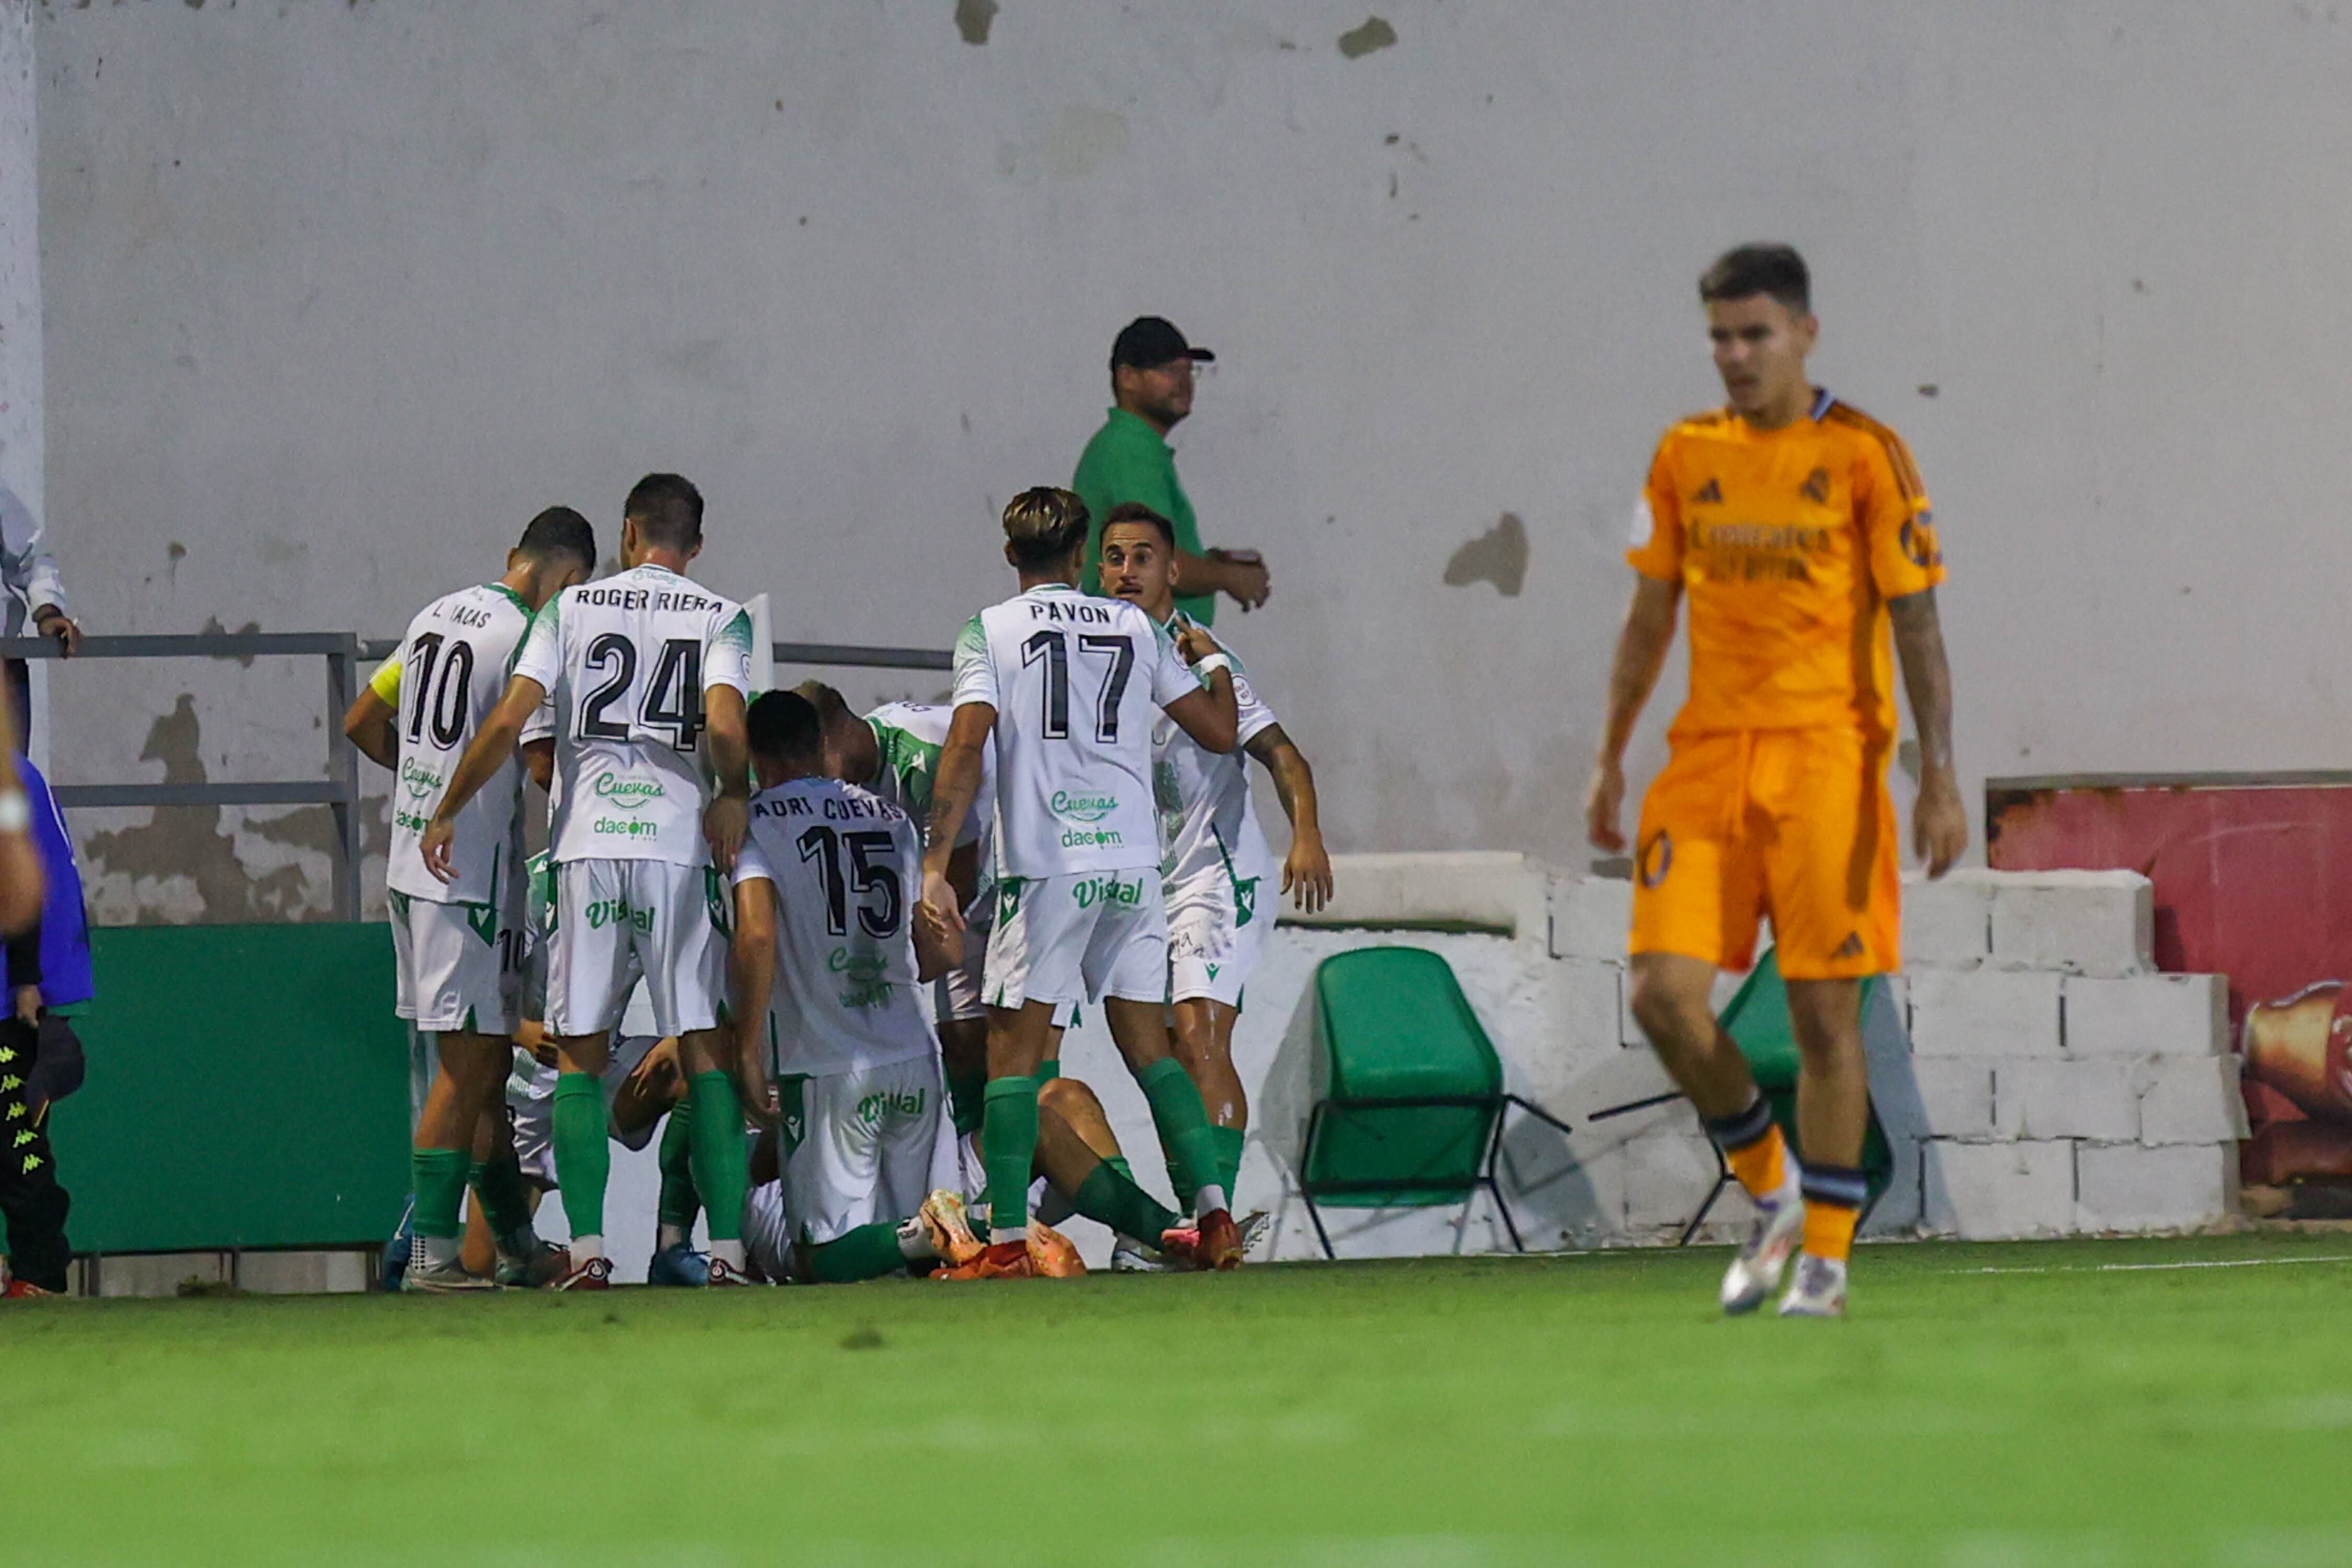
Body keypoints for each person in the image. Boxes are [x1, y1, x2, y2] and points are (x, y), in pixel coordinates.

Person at [1583, 244, 1964, 1320]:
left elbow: (1918, 621)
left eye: (1755, 335)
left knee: (1820, 1019)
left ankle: (1829, 1263)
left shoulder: (1865, 454)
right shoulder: (1684, 453)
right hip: (1706, 760)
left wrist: (1937, 774)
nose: (1736, 357)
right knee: (1661, 996)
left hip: (1828, 763)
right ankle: (1774, 1190)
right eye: (1720, 337)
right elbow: (1651, 613)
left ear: (1804, 332)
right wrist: (1610, 752)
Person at [424, 474, 762, 1289]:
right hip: (677, 850)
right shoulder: (722, 616)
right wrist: (734, 795)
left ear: (626, 532)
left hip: (587, 849)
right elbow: (723, 723)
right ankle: (728, 1256)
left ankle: (586, 1253)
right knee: (708, 1054)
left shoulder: (568, 611)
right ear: (696, 544)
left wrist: (446, 808)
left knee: (578, 1058)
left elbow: (512, 719)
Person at [918, 486, 1244, 1280]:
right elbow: (1220, 730)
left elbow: (965, 745)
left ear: (1010, 557)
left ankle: (1001, 1243)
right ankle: (1213, 1213)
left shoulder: (988, 630)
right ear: (1078, 556)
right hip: (1132, 864)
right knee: (1152, 1051)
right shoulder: (1133, 625)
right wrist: (1213, 658)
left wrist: (935, 862)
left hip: (1048, 865)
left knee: (1013, 1059)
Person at [344, 507, 595, 1292]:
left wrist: (426, 796)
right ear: (570, 579)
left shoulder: (432, 618)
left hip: (410, 868)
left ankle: (518, 1245)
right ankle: (430, 1255)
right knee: (467, 1068)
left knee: (480, 1065)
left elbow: (362, 722)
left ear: (513, 554)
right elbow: (546, 765)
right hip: (468, 878)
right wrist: (469, 806)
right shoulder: (533, 638)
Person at [1098, 501, 1332, 1218]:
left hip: (1215, 874)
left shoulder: (1204, 658)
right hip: (1141, 883)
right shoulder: (1092, 655)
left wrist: (1308, 835)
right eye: (1114, 557)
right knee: (1161, 1057)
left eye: (1144, 557)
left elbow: (1280, 753)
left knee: (1200, 1037)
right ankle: (1191, 1220)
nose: (1127, 571)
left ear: (1173, 571)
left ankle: (1215, 1218)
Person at [728, 690, 984, 1282]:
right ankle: (990, 1228)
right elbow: (937, 952)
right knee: (912, 1255)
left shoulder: (757, 824)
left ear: (756, 760)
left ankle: (962, 1231)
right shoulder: (892, 818)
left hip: (828, 1063)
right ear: (820, 745)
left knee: (820, 1257)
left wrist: (746, 1047)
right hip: (914, 1052)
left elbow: (758, 937)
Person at [799, 683, 996, 1156]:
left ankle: (1027, 1191)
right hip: (963, 887)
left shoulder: (922, 758)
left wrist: (892, 970)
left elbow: (960, 881)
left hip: (1010, 883)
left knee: (1014, 1053)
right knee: (961, 1041)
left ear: (835, 738)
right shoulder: (861, 769)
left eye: (813, 764)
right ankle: (974, 1189)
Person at [1073, 317, 1270, 622]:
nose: (1184, 382)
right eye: (1168, 371)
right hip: (1140, 652)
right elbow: (1151, 562)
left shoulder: (1130, 446)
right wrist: (1227, 576)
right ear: (1127, 378)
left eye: (1188, 370)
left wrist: (1206, 564)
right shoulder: (1130, 450)